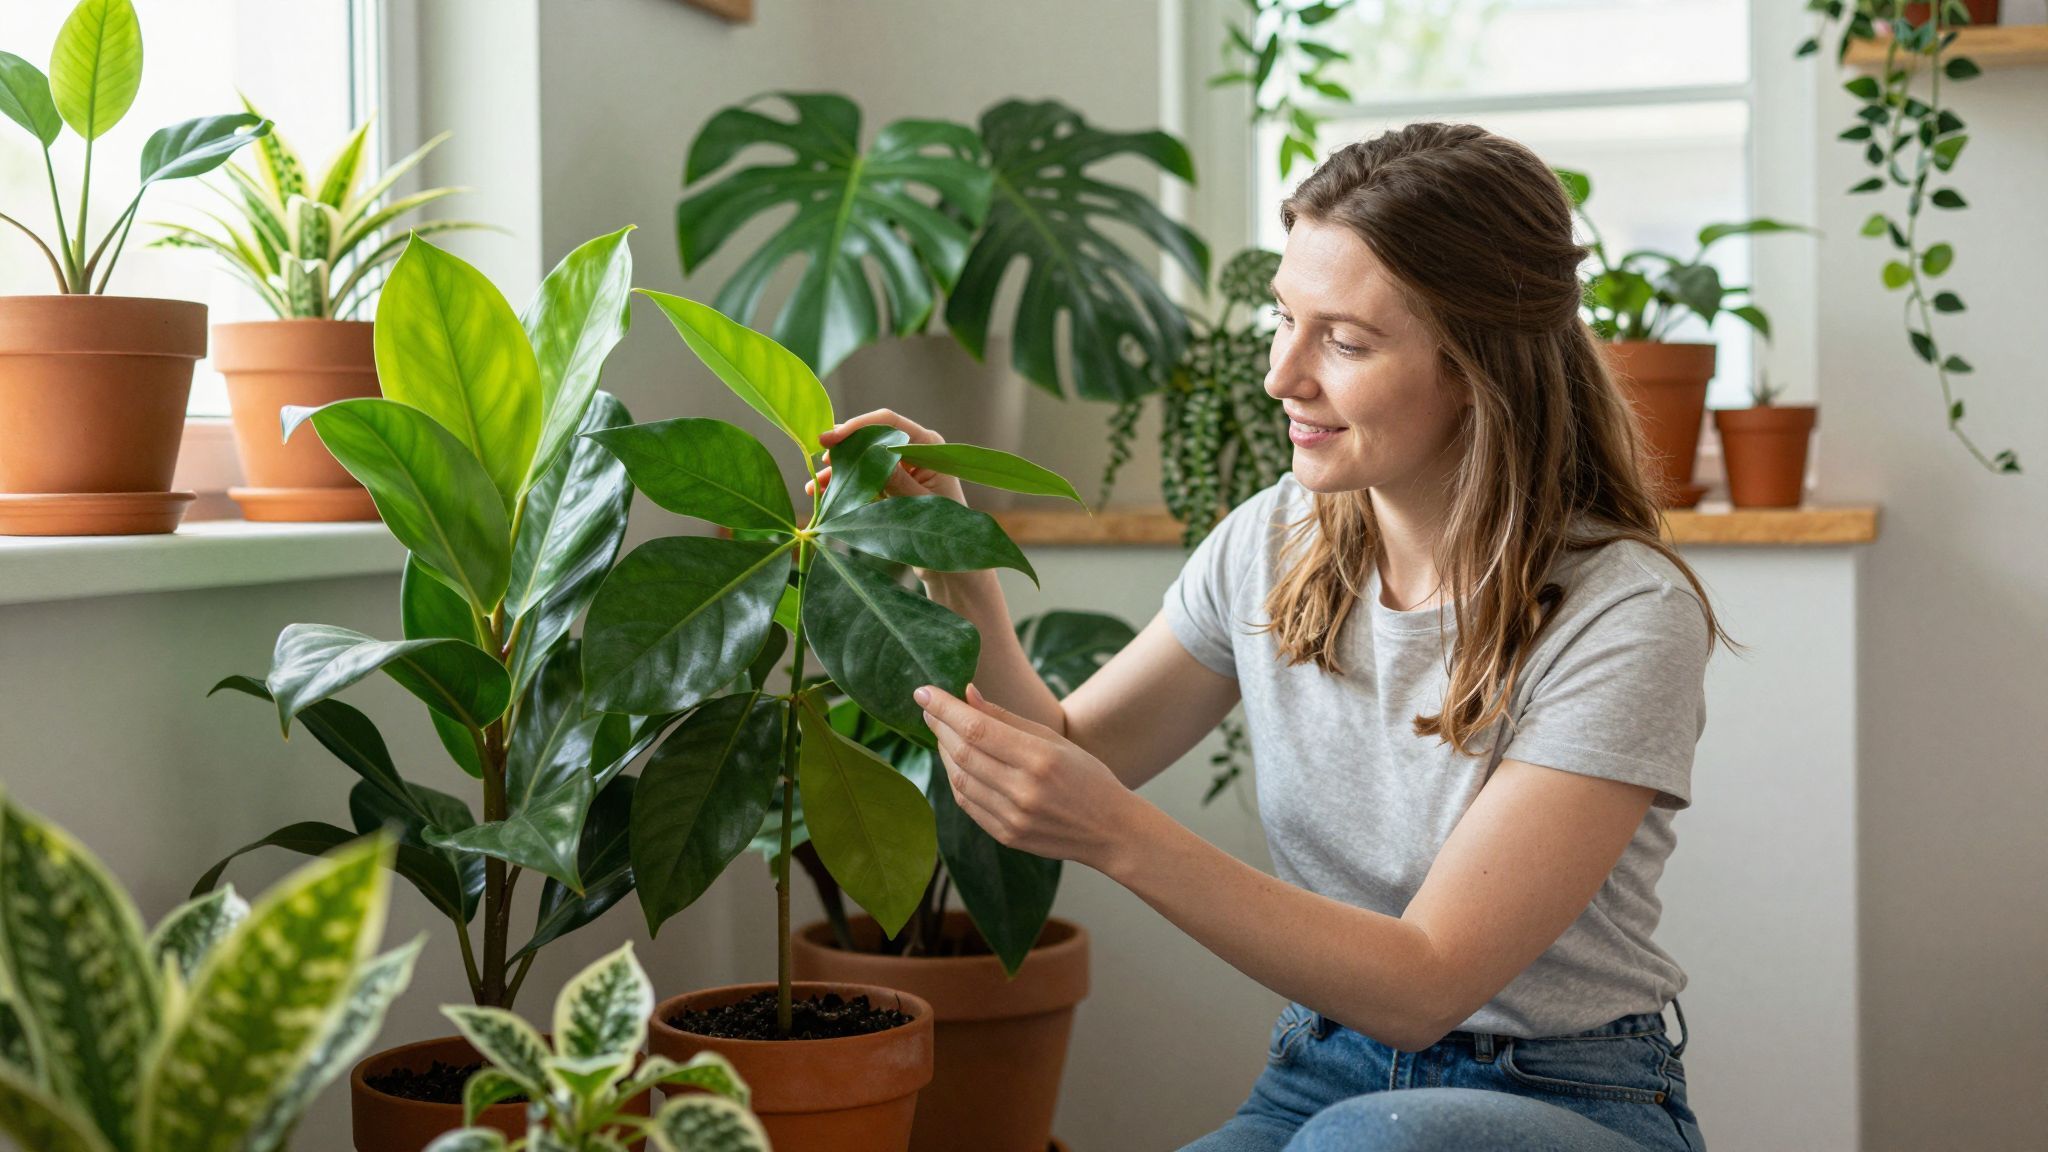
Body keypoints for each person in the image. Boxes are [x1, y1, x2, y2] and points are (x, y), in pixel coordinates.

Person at [809, 122, 1719, 1152]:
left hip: (1564, 1092)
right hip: (1320, 1076)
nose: (1282, 376)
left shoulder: (1621, 612)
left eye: (1343, 339)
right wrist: (953, 550)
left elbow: (1426, 983)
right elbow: (1062, 759)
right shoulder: (1272, 540)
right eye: (1282, 319)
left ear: (1475, 366)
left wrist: (1116, 832)